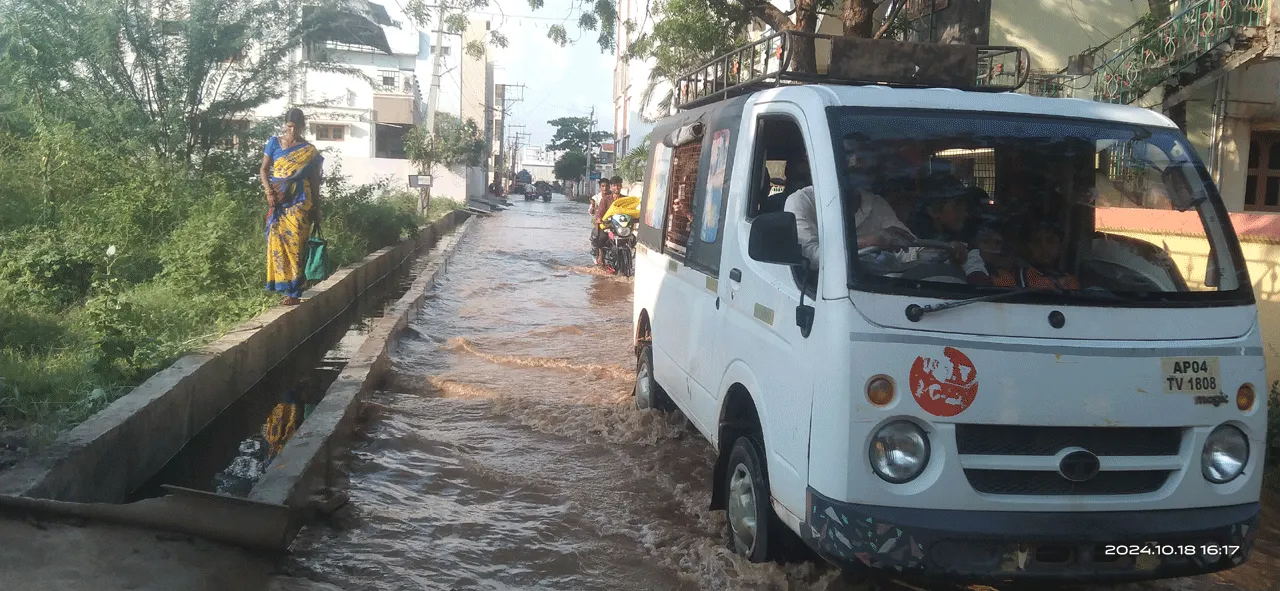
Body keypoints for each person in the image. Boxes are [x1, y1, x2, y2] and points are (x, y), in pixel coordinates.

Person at [260, 108, 323, 306]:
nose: (292, 131)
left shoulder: (309, 151)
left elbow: (314, 180)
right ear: (285, 125)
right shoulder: (274, 143)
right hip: (278, 200)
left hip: (300, 201)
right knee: (277, 242)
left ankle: (295, 290)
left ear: (302, 126)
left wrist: (317, 207)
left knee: (296, 242)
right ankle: (285, 286)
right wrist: (269, 191)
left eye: (296, 127)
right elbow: (263, 169)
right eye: (289, 127)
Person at [989, 222, 1082, 290]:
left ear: (1060, 245)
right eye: (1037, 242)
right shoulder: (1009, 278)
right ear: (1028, 247)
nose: (1044, 247)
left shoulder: (1071, 282)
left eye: (1050, 241)